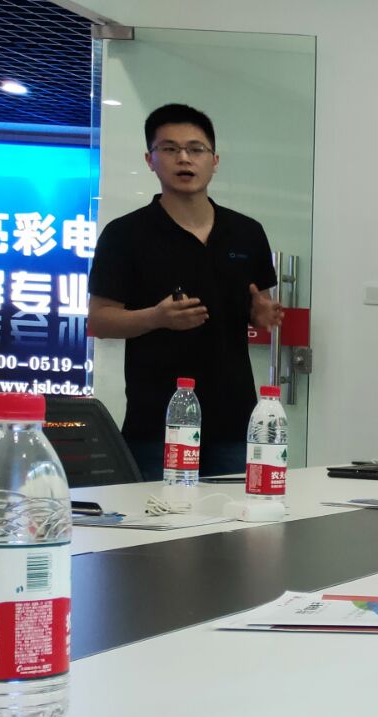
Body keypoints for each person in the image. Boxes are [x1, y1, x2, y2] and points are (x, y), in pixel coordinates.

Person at [87, 103, 282, 479]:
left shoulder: (247, 232)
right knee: (158, 515)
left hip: (234, 420)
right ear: (150, 159)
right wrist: (155, 317)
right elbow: (101, 320)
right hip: (156, 422)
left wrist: (261, 315)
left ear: (214, 160)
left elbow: (260, 305)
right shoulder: (125, 235)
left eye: (196, 149)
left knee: (235, 514)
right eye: (169, 149)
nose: (184, 159)